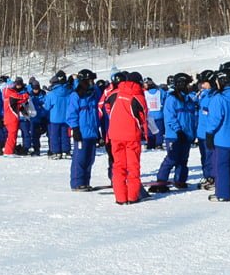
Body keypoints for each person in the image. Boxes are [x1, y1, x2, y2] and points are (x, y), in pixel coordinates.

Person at [104, 73, 150, 204]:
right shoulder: (138, 97)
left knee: (118, 166)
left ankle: (120, 197)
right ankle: (132, 197)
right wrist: (145, 134)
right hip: (132, 136)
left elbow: (107, 108)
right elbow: (143, 117)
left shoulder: (114, 94)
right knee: (133, 167)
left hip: (115, 135)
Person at [150, 73, 197, 191]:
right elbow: (170, 117)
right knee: (172, 158)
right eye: (188, 84)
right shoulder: (172, 99)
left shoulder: (189, 100)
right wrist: (178, 130)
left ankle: (180, 180)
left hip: (187, 135)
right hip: (174, 136)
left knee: (183, 159)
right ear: (181, 84)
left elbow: (192, 118)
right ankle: (161, 181)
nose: (189, 87)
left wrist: (193, 133)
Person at [206, 71, 230, 201]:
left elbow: (214, 119)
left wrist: (209, 133)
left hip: (222, 138)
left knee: (222, 166)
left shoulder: (219, 98)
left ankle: (223, 194)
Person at [66, 71, 102, 191]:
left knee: (90, 159)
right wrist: (75, 129)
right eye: (90, 81)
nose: (92, 83)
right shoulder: (76, 95)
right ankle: (77, 183)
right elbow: (71, 114)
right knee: (80, 159)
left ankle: (85, 182)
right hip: (81, 133)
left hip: (92, 132)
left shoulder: (93, 94)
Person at [2, 78, 30, 157]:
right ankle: (8, 152)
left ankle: (9, 150)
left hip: (8, 118)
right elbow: (21, 98)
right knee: (12, 135)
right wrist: (27, 94)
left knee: (11, 135)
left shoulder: (7, 96)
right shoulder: (12, 94)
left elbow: (18, 102)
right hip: (12, 118)